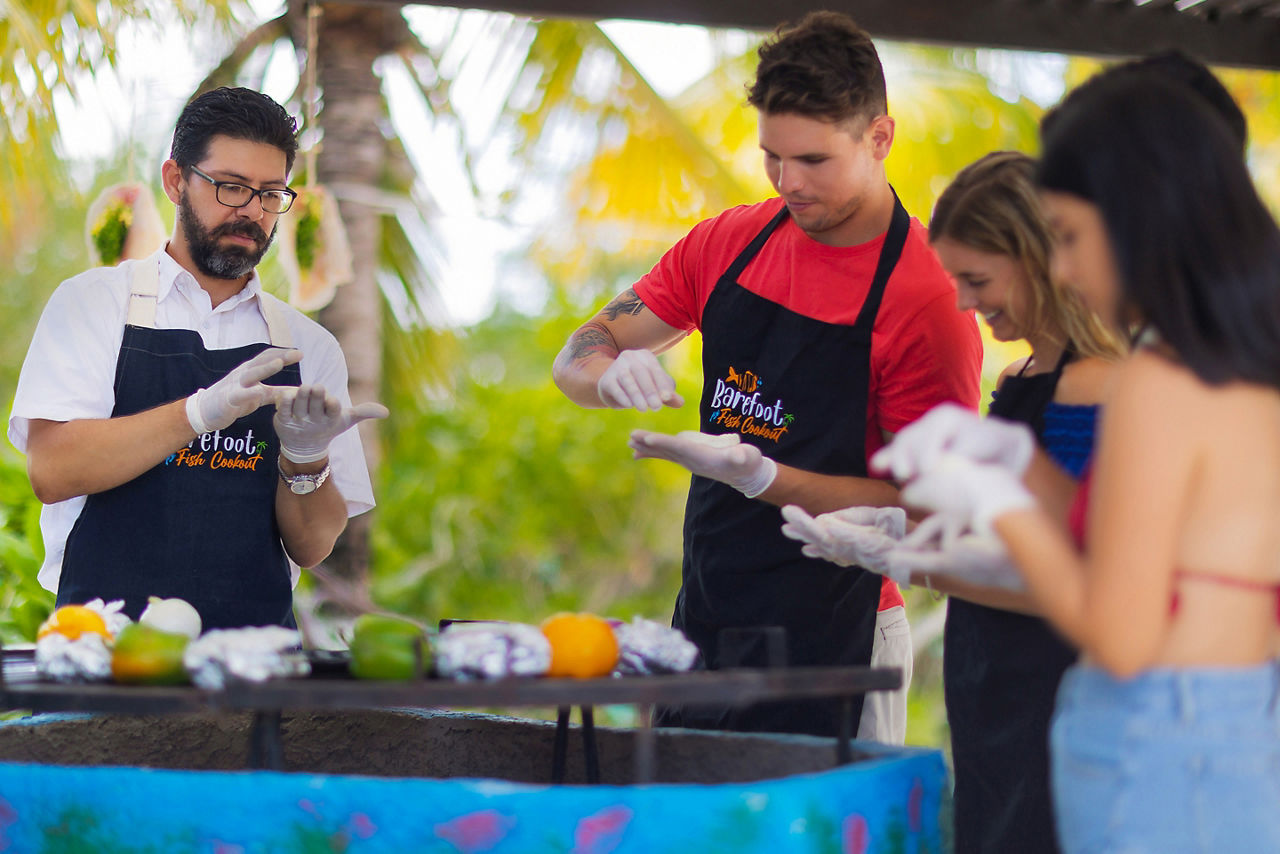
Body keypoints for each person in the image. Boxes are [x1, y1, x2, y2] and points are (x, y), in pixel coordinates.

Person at [552, 12, 982, 741]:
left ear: (880, 137)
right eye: (771, 157)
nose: (789, 182)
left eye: (813, 160)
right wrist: (606, 373)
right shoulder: (729, 242)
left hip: (841, 642)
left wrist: (763, 477)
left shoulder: (927, 300)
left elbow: (929, 513)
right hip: (706, 630)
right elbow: (580, 351)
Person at [882, 74, 1280, 852]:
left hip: (1158, 742)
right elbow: (1162, 546)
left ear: (1139, 219)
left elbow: (1121, 631)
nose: (1061, 270)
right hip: (1232, 724)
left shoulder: (1157, 381)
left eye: (1068, 236)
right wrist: (1022, 467)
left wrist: (997, 502)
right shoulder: (1235, 354)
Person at [781, 151, 1123, 852]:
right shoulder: (1024, 374)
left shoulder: (1096, 385)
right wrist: (902, 527)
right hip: (993, 693)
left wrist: (909, 561)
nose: (965, 304)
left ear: (1040, 260)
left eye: (978, 280)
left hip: (1061, 701)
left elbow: (1071, 579)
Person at [9, 87, 386, 631]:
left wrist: (306, 459)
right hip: (107, 656)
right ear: (175, 181)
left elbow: (311, 545)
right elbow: (53, 470)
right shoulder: (94, 303)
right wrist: (200, 414)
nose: (252, 212)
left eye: (271, 193)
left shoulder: (309, 346)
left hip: (255, 670)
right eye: (231, 187)